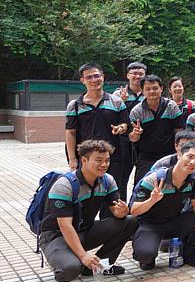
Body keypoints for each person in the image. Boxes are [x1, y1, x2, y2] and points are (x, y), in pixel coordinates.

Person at [39, 140, 138, 282]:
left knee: (129, 222)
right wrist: (83, 255)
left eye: (107, 160)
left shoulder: (107, 181)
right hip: (57, 236)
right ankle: (66, 259)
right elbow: (65, 225)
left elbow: (116, 212)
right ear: (84, 160)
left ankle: (100, 265)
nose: (104, 164)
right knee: (70, 269)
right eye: (99, 160)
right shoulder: (65, 185)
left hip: (84, 231)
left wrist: (122, 211)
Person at [130, 141, 195, 269]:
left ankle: (189, 255)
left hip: (175, 222)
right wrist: (152, 200)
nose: (192, 162)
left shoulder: (194, 179)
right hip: (151, 225)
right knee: (145, 254)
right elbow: (134, 211)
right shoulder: (155, 178)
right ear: (179, 155)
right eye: (190, 157)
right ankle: (148, 257)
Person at [65, 63, 128, 201]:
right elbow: (70, 133)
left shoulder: (116, 102)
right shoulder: (75, 105)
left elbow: (125, 124)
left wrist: (121, 128)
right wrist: (72, 158)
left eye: (97, 76)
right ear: (82, 80)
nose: (94, 80)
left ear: (103, 77)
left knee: (113, 196)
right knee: (84, 196)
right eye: (89, 77)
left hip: (113, 158)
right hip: (87, 158)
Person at [128, 75, 184, 184]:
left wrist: (180, 152)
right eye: (148, 89)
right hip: (146, 157)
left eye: (155, 88)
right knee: (142, 186)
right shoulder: (136, 111)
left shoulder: (171, 106)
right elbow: (133, 139)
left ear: (161, 89)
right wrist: (136, 133)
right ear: (142, 91)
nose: (152, 91)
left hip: (170, 154)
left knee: (172, 185)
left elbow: (179, 132)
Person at [113, 62, 147, 195]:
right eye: (134, 73)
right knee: (121, 176)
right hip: (123, 139)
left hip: (144, 139)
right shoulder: (118, 94)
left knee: (142, 176)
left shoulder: (148, 92)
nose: (137, 76)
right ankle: (120, 204)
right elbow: (112, 116)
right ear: (128, 75)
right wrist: (121, 101)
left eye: (141, 74)